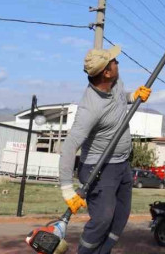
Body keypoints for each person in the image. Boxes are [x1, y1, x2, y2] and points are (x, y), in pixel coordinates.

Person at [59, 46, 151, 254]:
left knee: (120, 217)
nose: (118, 62)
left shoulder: (116, 83)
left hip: (122, 164)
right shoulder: (90, 109)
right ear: (106, 73)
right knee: (102, 219)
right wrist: (67, 190)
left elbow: (119, 100)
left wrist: (133, 96)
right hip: (98, 168)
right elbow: (69, 146)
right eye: (114, 61)